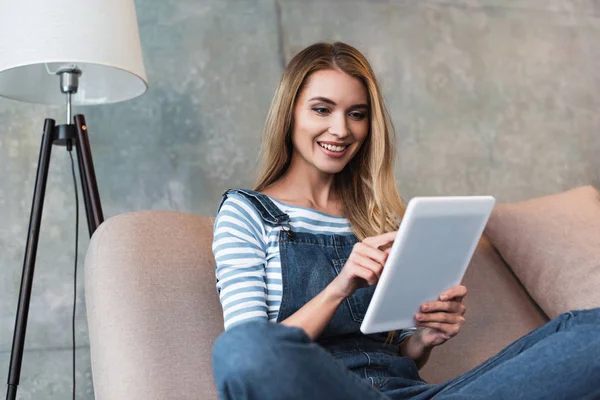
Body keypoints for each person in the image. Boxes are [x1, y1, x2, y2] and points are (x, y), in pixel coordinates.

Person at [210, 42, 600, 400]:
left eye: (357, 114)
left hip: (416, 394)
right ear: (290, 113)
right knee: (241, 347)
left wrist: (423, 340)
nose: (341, 130)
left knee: (589, 331)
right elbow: (254, 355)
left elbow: (398, 356)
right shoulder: (247, 213)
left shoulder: (379, 217)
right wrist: (339, 288)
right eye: (322, 109)